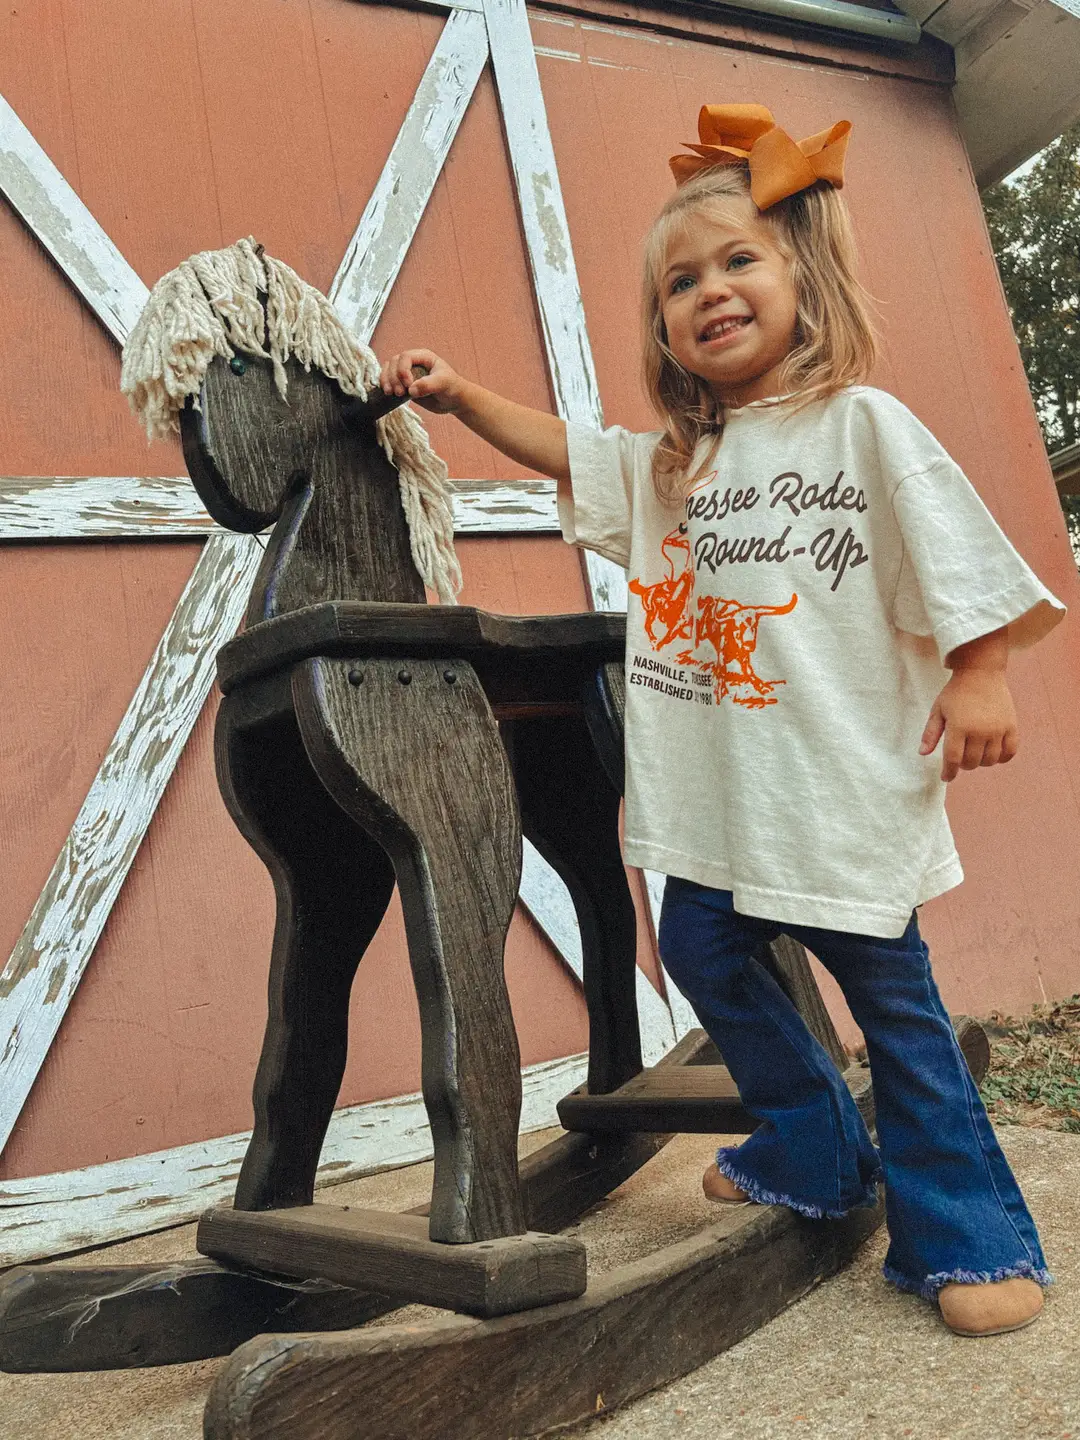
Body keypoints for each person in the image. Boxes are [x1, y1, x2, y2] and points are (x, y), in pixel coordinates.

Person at [380, 103, 1064, 1337]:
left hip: (840, 793)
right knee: (700, 955)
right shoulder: (674, 467)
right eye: (680, 282)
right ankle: (813, 1148)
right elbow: (569, 451)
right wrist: (460, 394)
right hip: (717, 807)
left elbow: (959, 560)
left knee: (896, 1014)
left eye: (739, 261)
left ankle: (967, 1236)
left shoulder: (864, 426)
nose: (710, 292)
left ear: (808, 271)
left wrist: (981, 672)